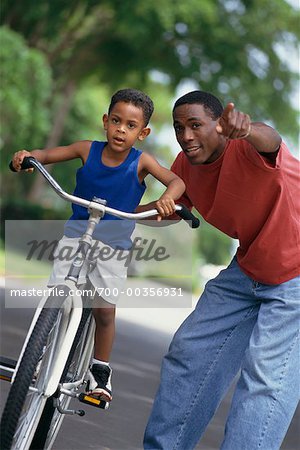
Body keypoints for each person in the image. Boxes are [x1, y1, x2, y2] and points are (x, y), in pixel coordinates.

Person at [143, 90, 300, 450]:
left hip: (295, 274)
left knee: (265, 381)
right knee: (189, 352)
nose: (186, 136)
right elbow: (168, 210)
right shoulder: (185, 166)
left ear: (220, 124)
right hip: (249, 269)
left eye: (196, 125)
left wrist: (246, 129)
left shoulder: (246, 146)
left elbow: (270, 140)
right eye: (179, 127)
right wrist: (112, 215)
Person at [11, 88, 185, 404]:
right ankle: (36, 358)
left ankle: (100, 372)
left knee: (103, 311)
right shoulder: (86, 149)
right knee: (56, 295)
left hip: (113, 247)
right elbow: (47, 155)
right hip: (76, 235)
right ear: (105, 121)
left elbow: (177, 182)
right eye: (116, 121)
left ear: (142, 133)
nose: (121, 129)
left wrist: (167, 198)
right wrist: (28, 156)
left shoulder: (141, 161)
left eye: (131, 126)